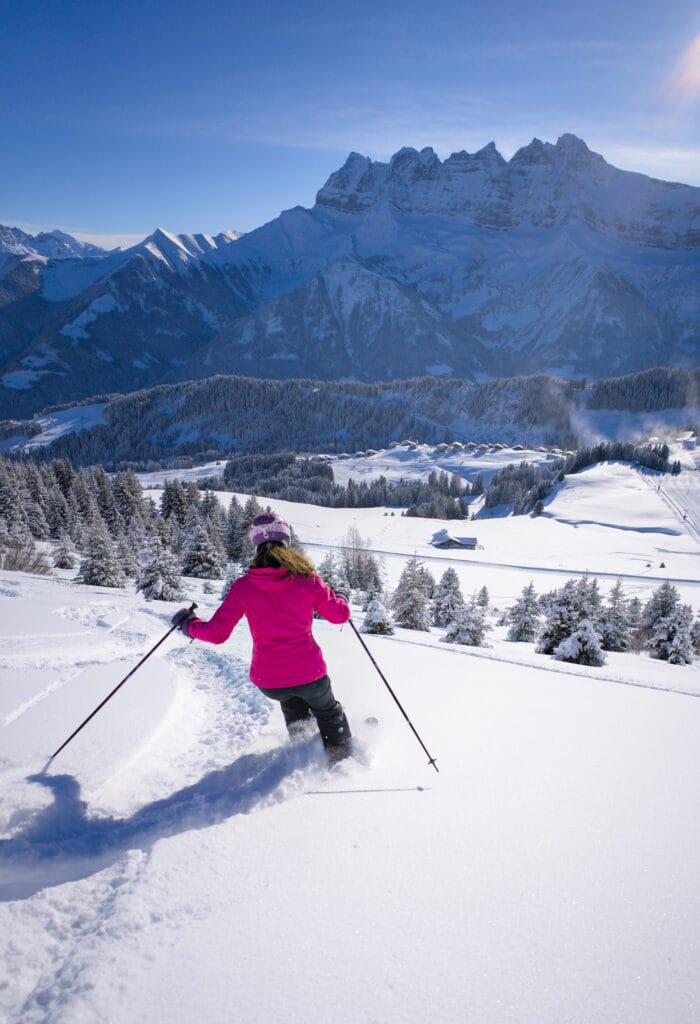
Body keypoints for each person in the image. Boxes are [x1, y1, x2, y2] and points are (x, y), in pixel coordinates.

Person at [171, 512, 353, 764]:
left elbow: (216, 633)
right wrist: (340, 596)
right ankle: (341, 762)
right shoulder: (306, 580)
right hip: (310, 674)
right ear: (286, 542)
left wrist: (188, 624)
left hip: (269, 681)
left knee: (292, 704)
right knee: (328, 711)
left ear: (256, 546)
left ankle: (303, 755)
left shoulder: (243, 587)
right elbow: (339, 615)